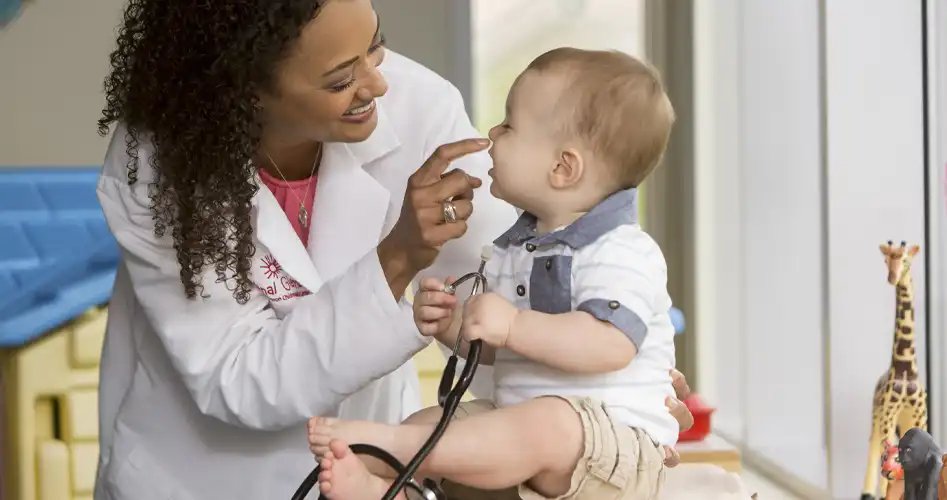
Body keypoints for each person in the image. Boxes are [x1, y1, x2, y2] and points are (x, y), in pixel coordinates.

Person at [92, 1, 687, 498]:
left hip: (368, 462)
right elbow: (242, 379)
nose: (378, 83)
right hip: (201, 476)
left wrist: (618, 390)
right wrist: (399, 254)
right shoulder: (161, 163)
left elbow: (515, 274)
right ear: (246, 90)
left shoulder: (418, 106)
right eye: (340, 78)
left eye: (375, 46)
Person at [308, 47, 683, 500]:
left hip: (610, 446)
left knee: (548, 424)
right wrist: (454, 326)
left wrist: (513, 325)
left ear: (563, 168)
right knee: (437, 420)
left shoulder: (620, 250)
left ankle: (394, 448)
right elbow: (497, 352)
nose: (492, 132)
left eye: (509, 125)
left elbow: (611, 343)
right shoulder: (514, 249)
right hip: (519, 428)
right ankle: (386, 483)